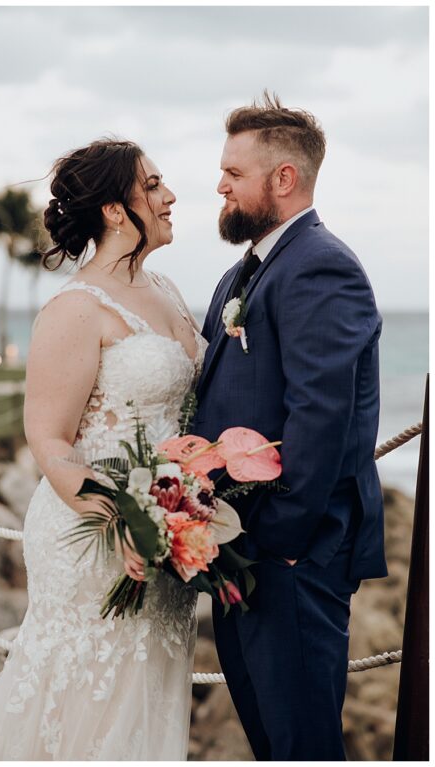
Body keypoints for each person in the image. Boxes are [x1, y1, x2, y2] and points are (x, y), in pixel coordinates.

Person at [0, 139, 204, 760]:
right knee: (84, 705)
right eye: (153, 186)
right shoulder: (75, 309)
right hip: (95, 536)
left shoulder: (165, 288)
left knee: (144, 698)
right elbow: (48, 440)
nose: (170, 196)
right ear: (113, 210)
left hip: (167, 534)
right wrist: (123, 521)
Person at [194, 93, 385, 760]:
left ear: (284, 178)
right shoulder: (239, 274)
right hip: (239, 557)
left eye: (233, 173)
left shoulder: (320, 266)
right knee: (271, 742)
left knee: (303, 745)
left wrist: (279, 538)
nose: (219, 184)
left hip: (291, 561)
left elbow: (321, 414)